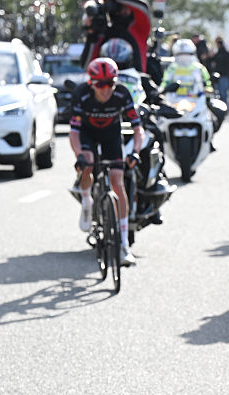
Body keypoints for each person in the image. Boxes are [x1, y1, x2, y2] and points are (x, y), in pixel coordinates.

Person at [70, 57, 144, 266]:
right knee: (89, 164)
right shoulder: (81, 95)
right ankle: (86, 201)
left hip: (111, 133)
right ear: (91, 84)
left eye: (110, 83)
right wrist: (79, 156)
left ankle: (123, 247)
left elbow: (138, 129)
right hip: (87, 134)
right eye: (100, 85)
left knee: (117, 182)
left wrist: (135, 152)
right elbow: (74, 132)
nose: (106, 89)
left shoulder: (121, 94)